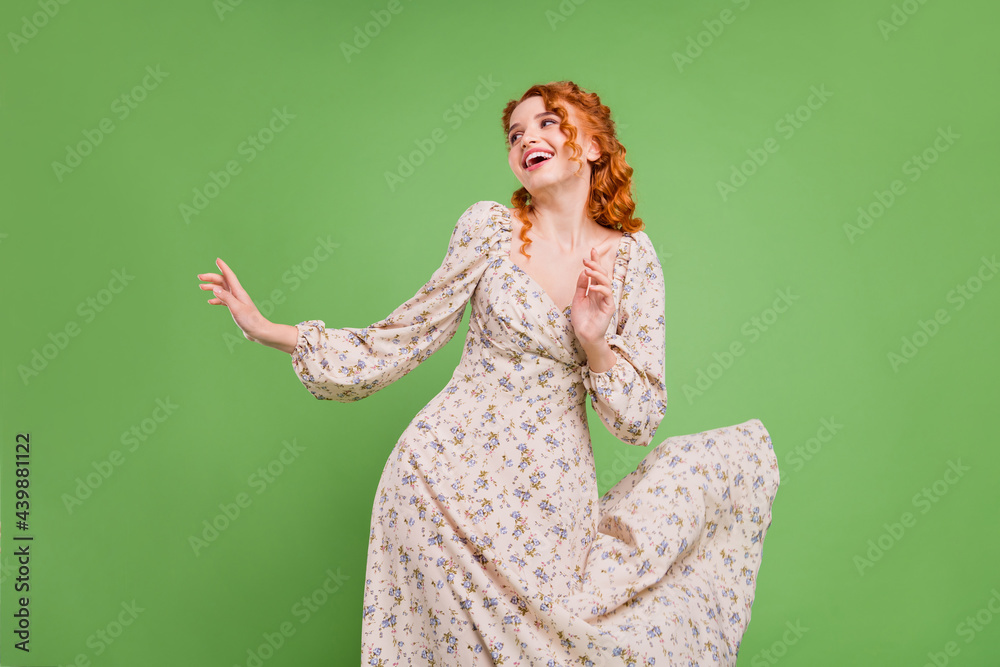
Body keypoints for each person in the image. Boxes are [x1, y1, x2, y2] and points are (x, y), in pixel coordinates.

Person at [197, 80, 780, 666]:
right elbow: (402, 338)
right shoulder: (488, 229)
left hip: (551, 499)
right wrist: (269, 329)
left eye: (550, 122)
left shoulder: (631, 259)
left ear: (596, 145)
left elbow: (638, 421)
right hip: (440, 482)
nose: (529, 137)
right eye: (516, 133)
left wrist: (594, 340)